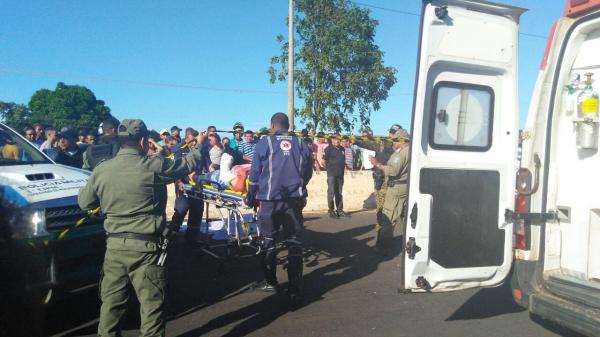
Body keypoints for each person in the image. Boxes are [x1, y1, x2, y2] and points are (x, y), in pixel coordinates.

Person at [78, 119, 202, 337]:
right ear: (144, 141)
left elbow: (85, 203)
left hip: (114, 247)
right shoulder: (153, 166)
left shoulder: (102, 170)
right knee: (151, 309)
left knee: (111, 307)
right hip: (147, 249)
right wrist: (198, 146)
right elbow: (186, 165)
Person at [245, 112, 313, 308]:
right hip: (293, 201)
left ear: (272, 126)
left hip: (269, 200)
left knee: (268, 240)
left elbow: (255, 173)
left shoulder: (265, 143)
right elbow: (307, 171)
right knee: (294, 243)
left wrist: (251, 194)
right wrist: (301, 188)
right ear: (288, 125)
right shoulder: (301, 144)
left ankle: (271, 282)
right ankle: (294, 291)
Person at [353, 124, 403, 246]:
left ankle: (384, 241)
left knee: (390, 213)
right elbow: (367, 143)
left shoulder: (402, 147)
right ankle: (382, 240)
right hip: (381, 182)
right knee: (382, 212)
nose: (391, 135)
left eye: (393, 132)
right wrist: (356, 140)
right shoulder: (383, 143)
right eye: (390, 132)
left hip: (394, 183)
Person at [368, 128, 410, 254]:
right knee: (406, 218)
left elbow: (393, 171)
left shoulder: (402, 153)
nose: (393, 142)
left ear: (402, 140)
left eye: (396, 140)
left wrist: (377, 164)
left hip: (396, 189)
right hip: (404, 187)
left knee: (387, 218)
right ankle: (409, 242)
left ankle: (383, 247)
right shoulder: (409, 150)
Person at [323, 135, 349, 218]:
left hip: (340, 174)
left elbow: (343, 160)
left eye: (338, 139)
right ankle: (331, 210)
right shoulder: (328, 149)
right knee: (331, 192)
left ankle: (339, 210)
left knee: (339, 192)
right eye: (335, 139)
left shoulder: (342, 149)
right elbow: (324, 161)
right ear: (332, 140)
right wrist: (329, 169)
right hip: (331, 174)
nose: (337, 141)